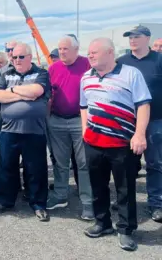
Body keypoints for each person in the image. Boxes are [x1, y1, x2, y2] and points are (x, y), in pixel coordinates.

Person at [80, 37, 151, 251]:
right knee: (98, 185)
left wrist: (139, 134)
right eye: (89, 52)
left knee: (124, 188)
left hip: (122, 143)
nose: (90, 55)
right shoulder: (86, 77)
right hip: (93, 142)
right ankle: (102, 223)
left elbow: (143, 104)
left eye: (94, 52)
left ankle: (126, 230)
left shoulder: (131, 74)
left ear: (110, 53)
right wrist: (85, 129)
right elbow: (84, 105)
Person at [0, 43, 51, 222]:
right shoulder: (6, 74)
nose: (16, 60)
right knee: (7, 167)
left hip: (34, 131)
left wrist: (12, 91)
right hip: (9, 130)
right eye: (14, 57)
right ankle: (6, 202)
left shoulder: (41, 73)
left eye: (20, 57)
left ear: (29, 57)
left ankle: (38, 204)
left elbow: (37, 90)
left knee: (35, 169)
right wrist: (23, 93)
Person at [46, 35, 94, 220]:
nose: (62, 52)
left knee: (83, 163)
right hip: (57, 121)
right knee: (60, 162)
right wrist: (48, 119)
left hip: (80, 120)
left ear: (76, 49)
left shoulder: (87, 64)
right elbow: (49, 95)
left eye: (66, 48)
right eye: (60, 48)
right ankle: (60, 195)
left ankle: (88, 202)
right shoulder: (53, 68)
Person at [117, 25, 162, 222]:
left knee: (155, 164)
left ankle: (156, 203)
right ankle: (125, 201)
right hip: (127, 122)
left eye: (136, 37)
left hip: (155, 122)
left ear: (148, 39)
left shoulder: (159, 60)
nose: (132, 40)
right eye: (130, 37)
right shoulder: (122, 62)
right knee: (126, 164)